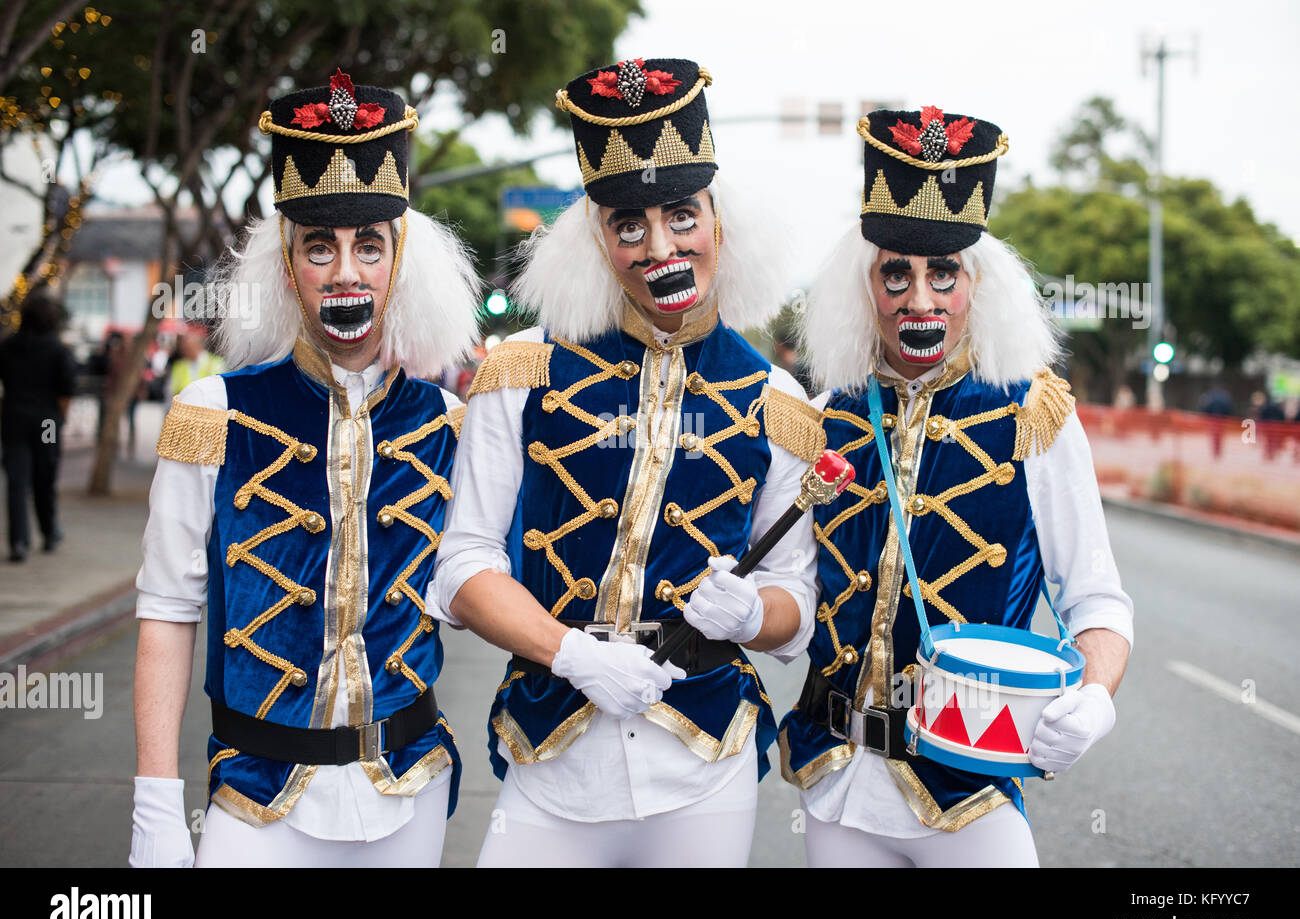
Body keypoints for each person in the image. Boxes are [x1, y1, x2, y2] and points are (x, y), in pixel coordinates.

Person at [431, 57, 821, 866]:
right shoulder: (521, 369)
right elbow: (463, 566)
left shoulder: (777, 398)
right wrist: (570, 653)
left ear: (718, 220)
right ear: (597, 237)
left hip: (706, 764)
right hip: (551, 749)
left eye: (681, 214)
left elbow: (796, 601)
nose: (659, 246)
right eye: (627, 224)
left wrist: (752, 613)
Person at [130, 68, 480, 867]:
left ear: (399, 262)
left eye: (368, 246)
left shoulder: (451, 426)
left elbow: (487, 579)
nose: (346, 271)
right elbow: (165, 610)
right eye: (319, 248)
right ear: (287, 266)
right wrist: (155, 799)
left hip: (410, 788)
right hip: (254, 797)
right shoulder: (211, 416)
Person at [782, 106, 1134, 866]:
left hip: (970, 793)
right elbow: (791, 602)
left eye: (944, 273)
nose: (921, 299)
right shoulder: (823, 418)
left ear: (978, 283)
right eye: (896, 274)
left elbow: (1096, 598)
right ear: (864, 286)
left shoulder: (1033, 414)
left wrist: (1097, 696)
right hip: (836, 787)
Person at [0, 295, 77, 562]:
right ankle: (48, 530)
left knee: (16, 482)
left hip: (14, 419)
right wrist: (60, 419)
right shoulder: (58, 350)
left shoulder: (8, 346)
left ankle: (19, 542)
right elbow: (67, 390)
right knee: (46, 475)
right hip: (46, 421)